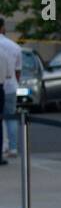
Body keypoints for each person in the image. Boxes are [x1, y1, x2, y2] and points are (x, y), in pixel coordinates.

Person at [0, 18, 22, 160]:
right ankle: (13, 148)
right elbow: (17, 70)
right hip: (10, 85)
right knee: (11, 117)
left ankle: (3, 146)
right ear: (2, 27)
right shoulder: (14, 46)